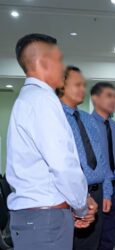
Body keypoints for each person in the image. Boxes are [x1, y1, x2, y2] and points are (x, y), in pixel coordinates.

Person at [6, 33, 97, 250]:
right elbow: (63, 165)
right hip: (45, 221)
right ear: (44, 62)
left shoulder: (29, 99)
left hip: (38, 218)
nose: (62, 68)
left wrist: (76, 203)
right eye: (59, 60)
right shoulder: (43, 100)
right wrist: (82, 206)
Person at [57, 66, 113, 250]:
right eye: (77, 84)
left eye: (84, 85)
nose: (83, 89)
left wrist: (106, 190)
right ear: (61, 85)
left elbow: (101, 158)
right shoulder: (54, 117)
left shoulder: (88, 119)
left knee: (91, 245)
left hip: (96, 194)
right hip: (69, 194)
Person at [91, 82, 115, 250]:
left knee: (109, 237)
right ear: (95, 98)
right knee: (91, 237)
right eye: (108, 96)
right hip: (94, 190)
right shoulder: (86, 125)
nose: (113, 100)